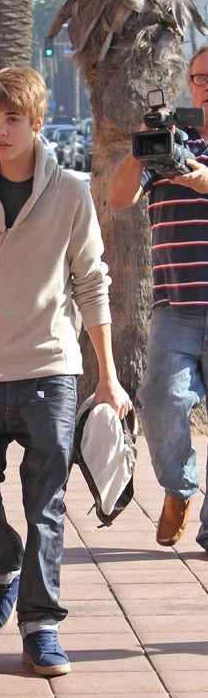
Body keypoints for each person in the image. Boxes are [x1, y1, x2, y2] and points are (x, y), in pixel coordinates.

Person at [0, 66, 130, 677]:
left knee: (46, 503)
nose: (0, 130)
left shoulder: (69, 193)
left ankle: (40, 625)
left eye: (12, 118)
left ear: (36, 122)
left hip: (50, 370)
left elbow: (92, 282)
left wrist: (108, 376)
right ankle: (2, 567)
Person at [108, 45, 208, 550]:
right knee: (160, 400)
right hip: (176, 304)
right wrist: (140, 148)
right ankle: (178, 487)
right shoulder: (172, 143)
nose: (206, 87)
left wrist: (202, 179)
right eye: (200, 78)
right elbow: (118, 197)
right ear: (189, 84)